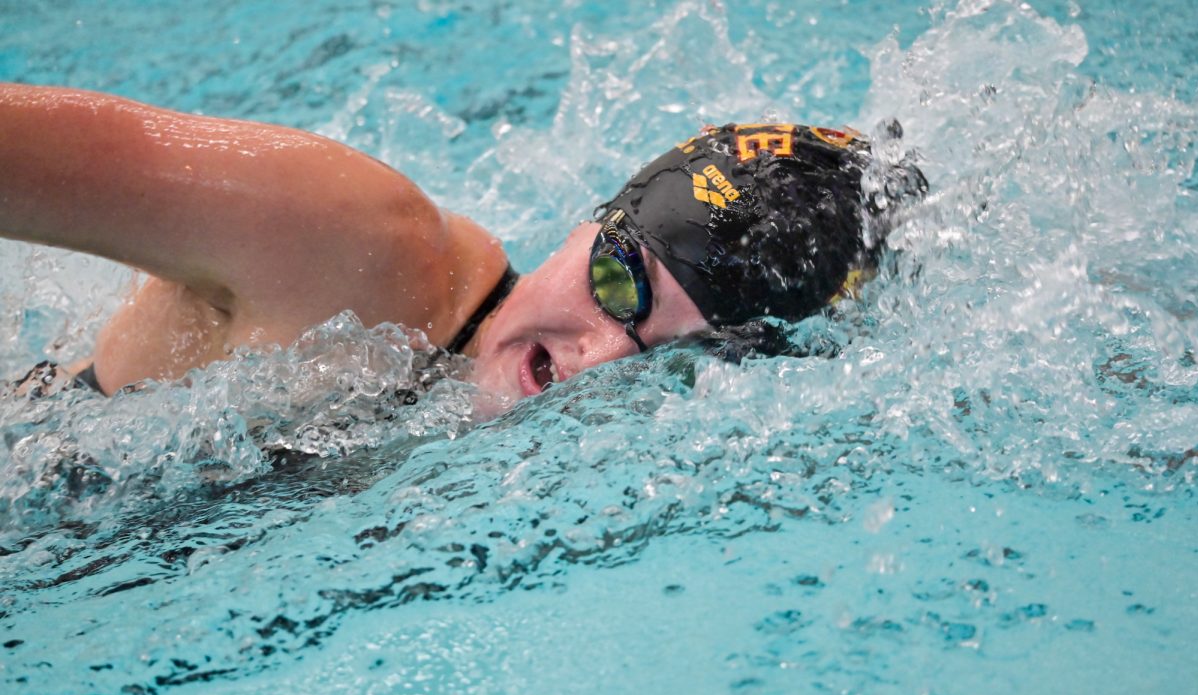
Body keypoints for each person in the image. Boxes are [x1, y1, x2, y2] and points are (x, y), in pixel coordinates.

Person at [0, 83, 924, 413]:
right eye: (620, 283)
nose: (598, 359)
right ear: (593, 221)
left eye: (682, 361)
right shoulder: (352, 238)